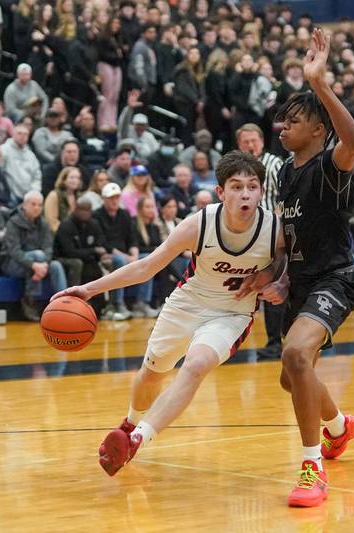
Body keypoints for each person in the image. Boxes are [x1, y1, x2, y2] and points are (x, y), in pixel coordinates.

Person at [51, 150, 283, 479]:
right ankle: (130, 421)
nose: (245, 193)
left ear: (261, 191)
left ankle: (135, 439)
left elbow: (292, 265)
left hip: (231, 314)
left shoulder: (275, 230)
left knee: (196, 364)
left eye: (252, 186)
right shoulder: (198, 224)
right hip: (186, 304)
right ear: (220, 192)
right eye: (236, 186)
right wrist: (89, 290)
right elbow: (146, 267)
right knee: (152, 374)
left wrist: (277, 277)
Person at [247, 29, 354, 508]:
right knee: (290, 376)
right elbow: (288, 236)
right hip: (298, 282)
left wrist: (319, 84)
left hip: (333, 279)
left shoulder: (330, 166)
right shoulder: (288, 175)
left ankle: (312, 468)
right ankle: (339, 428)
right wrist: (276, 276)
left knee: (295, 357)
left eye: (291, 121)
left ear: (318, 129)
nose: (281, 127)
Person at [236, 122, 284, 358]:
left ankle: (276, 341)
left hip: (269, 236)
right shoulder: (234, 168)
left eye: (254, 140)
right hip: (241, 239)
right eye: (246, 142)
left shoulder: (274, 164)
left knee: (271, 288)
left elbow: (284, 198)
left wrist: (275, 226)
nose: (250, 145)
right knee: (237, 289)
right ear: (239, 145)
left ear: (262, 142)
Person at [1, 190, 68, 321]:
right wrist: (34, 265)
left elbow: (48, 248)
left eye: (39, 205)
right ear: (25, 205)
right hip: (12, 264)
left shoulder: (43, 224)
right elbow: (14, 251)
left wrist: (42, 265)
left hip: (39, 263)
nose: (37, 208)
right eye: (33, 204)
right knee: (37, 255)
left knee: (56, 266)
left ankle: (64, 302)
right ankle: (30, 301)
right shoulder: (13, 223)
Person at [92, 182, 147, 319]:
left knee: (147, 258)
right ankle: (117, 303)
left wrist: (134, 251)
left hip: (125, 253)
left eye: (117, 197)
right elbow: (101, 242)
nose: (114, 201)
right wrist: (125, 256)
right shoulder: (96, 216)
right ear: (103, 199)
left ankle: (141, 303)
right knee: (120, 260)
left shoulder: (124, 214)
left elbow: (132, 236)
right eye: (111, 198)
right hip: (106, 254)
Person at [53, 197, 107, 293]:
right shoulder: (66, 225)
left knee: (103, 263)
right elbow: (69, 252)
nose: (84, 213)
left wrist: (102, 255)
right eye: (81, 210)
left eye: (87, 210)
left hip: (85, 257)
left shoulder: (94, 224)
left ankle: (104, 303)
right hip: (63, 258)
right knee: (77, 263)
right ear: (75, 209)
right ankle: (72, 295)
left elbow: (100, 242)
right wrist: (93, 251)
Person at [1, 124, 42, 202]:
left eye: (25, 134)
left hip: (28, 197)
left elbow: (37, 176)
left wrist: (34, 192)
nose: (22, 136)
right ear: (13, 134)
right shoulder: (4, 150)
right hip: (10, 195)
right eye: (19, 133)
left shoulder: (31, 155)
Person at [44, 166, 82, 233]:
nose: (75, 180)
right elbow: (52, 223)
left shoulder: (80, 197)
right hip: (57, 235)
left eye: (77, 178)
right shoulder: (54, 196)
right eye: (72, 178)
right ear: (64, 180)